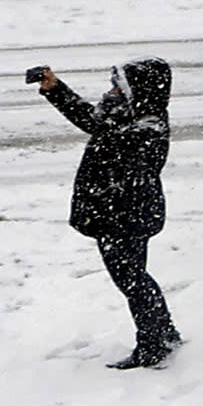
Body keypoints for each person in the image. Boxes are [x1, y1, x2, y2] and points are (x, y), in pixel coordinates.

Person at [36, 60, 181, 369]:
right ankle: (164, 332)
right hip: (117, 214)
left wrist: (97, 113)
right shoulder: (128, 116)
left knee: (132, 280)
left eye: (119, 86)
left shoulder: (148, 127)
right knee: (135, 278)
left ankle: (153, 344)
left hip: (126, 217)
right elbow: (94, 121)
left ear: (136, 92)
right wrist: (55, 88)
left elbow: (105, 131)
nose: (112, 91)